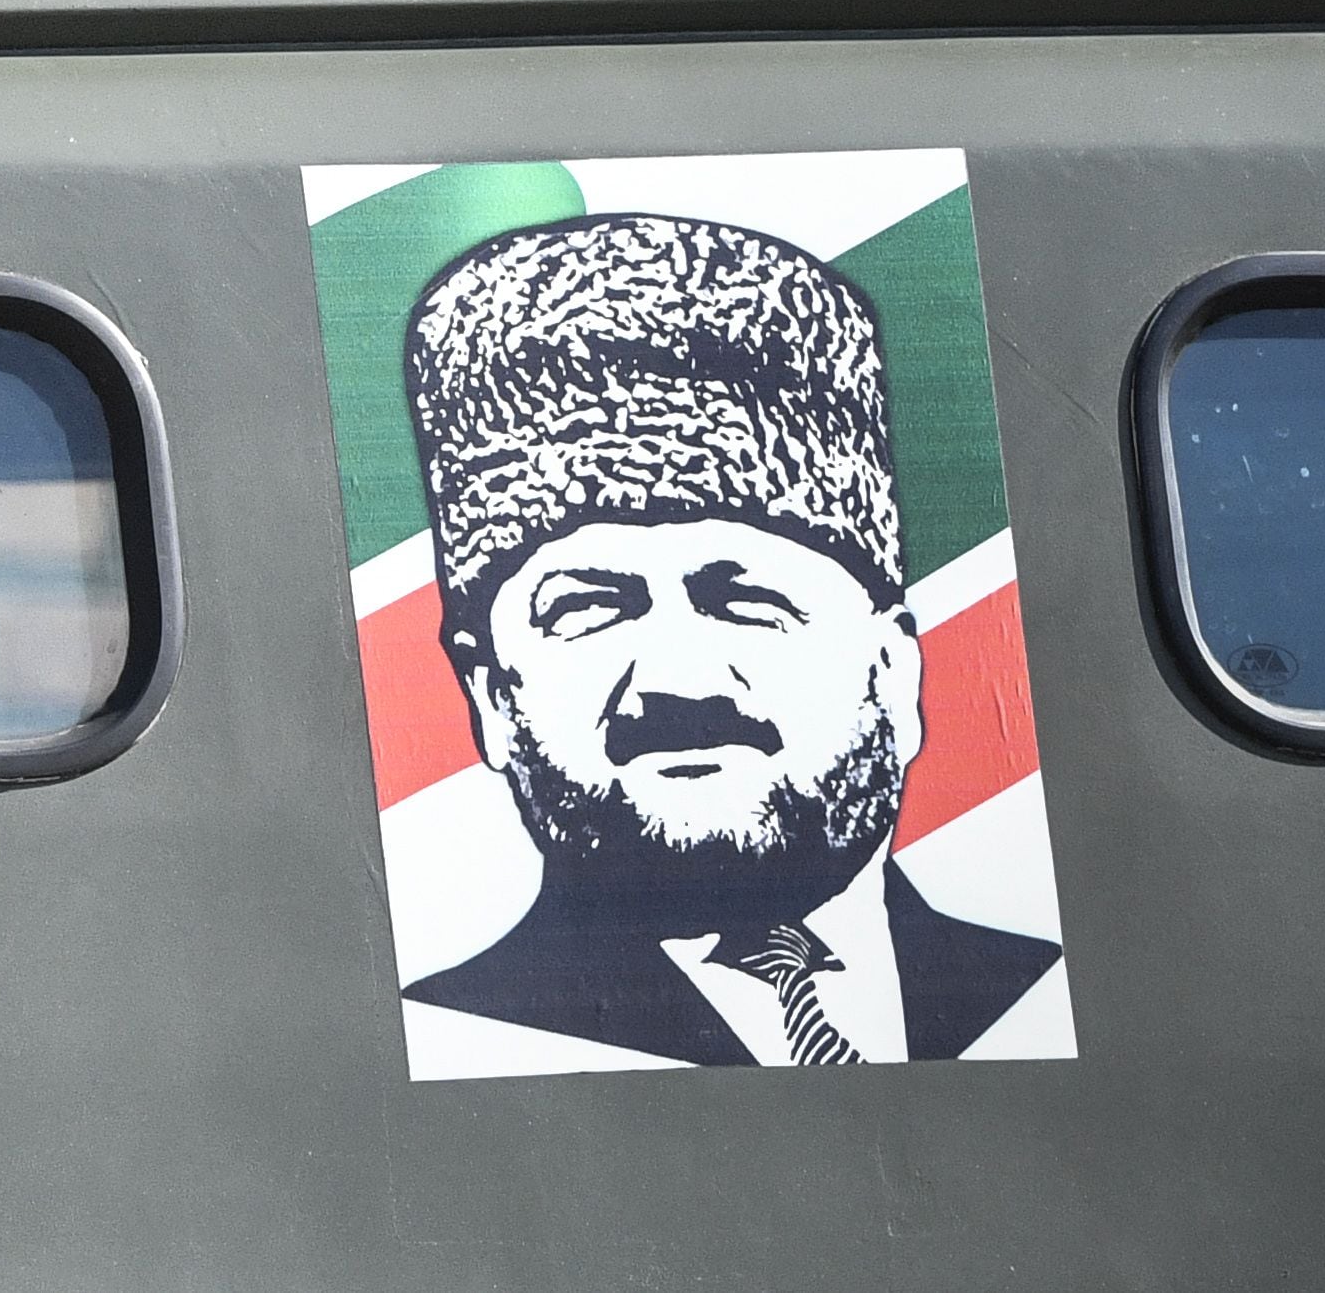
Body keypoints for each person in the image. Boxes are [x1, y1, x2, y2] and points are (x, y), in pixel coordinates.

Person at [398, 214, 1065, 1071]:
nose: (677, 683)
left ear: (895, 671)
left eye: (747, 601)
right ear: (489, 697)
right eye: (592, 610)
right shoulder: (460, 1040)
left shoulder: (1031, 999)